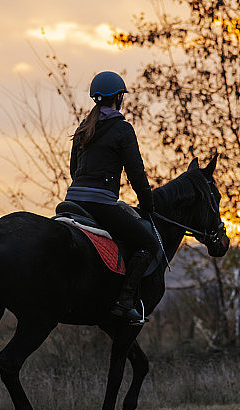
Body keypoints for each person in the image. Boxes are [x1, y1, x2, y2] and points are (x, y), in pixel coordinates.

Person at [66, 71, 159, 323]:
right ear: (119, 97)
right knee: (148, 244)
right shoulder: (122, 129)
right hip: (100, 203)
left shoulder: (83, 129)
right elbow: (136, 173)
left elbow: (74, 170)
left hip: (72, 201)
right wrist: (148, 205)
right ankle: (125, 301)